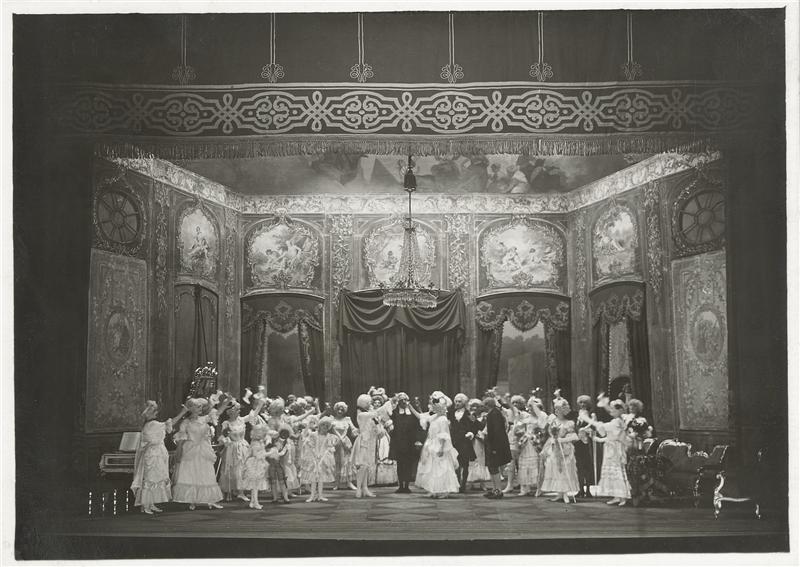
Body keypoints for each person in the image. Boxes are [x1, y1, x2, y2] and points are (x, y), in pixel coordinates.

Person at [131, 401, 185, 514]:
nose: (156, 413)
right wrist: (183, 412)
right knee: (150, 478)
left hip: (157, 453)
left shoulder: (151, 424)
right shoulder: (152, 424)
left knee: (157, 477)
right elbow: (170, 423)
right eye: (154, 411)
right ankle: (146, 504)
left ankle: (151, 503)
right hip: (153, 454)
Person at [172, 398, 225, 510]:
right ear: (191, 409)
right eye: (197, 407)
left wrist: (226, 402)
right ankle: (192, 499)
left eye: (201, 406)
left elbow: (218, 413)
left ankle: (210, 499)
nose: (200, 408)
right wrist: (179, 452)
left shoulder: (204, 419)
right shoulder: (186, 423)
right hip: (190, 449)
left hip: (204, 449)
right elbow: (181, 438)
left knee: (206, 474)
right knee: (191, 474)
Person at [580, 399, 632, 506]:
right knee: (612, 472)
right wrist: (597, 438)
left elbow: (604, 428)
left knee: (617, 472)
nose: (610, 410)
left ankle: (622, 496)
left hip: (615, 450)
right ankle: (616, 496)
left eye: (613, 409)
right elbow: (607, 436)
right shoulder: (615, 421)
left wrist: (589, 420)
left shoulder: (617, 422)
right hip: (610, 448)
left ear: (619, 410)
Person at [412, 391, 460, 498]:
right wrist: (411, 406)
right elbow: (421, 416)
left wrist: (441, 448)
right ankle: (434, 489)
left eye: (435, 406)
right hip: (432, 444)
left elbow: (444, 435)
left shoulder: (443, 419)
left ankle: (444, 490)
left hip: (439, 445)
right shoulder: (434, 418)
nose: (432, 407)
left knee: (442, 468)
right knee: (433, 468)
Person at [352, 393, 396, 498]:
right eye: (369, 403)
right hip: (363, 442)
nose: (370, 404)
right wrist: (388, 403)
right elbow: (376, 412)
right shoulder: (361, 414)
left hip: (371, 441)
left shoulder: (369, 415)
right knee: (362, 466)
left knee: (367, 466)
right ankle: (358, 489)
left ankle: (365, 488)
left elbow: (376, 425)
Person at [538, 396, 580, 504]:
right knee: (555, 470)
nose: (556, 411)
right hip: (553, 448)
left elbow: (575, 437)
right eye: (555, 409)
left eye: (559, 409)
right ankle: (559, 493)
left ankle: (565, 493)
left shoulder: (569, 423)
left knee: (564, 470)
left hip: (565, 449)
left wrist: (562, 440)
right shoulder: (552, 421)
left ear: (564, 410)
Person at [389, 393, 424, 494]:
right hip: (398, 442)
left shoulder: (412, 413)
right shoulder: (394, 412)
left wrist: (418, 440)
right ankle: (401, 486)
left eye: (405, 400)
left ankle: (407, 486)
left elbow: (418, 428)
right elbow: (391, 426)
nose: (404, 402)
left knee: (409, 464)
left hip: (410, 442)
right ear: (398, 401)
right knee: (400, 464)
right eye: (402, 400)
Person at [217, 401, 250, 502]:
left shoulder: (241, 420)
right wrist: (225, 440)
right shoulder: (226, 423)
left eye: (239, 409)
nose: (239, 411)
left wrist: (260, 403)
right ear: (230, 412)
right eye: (236, 409)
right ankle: (231, 490)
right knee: (231, 470)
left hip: (243, 447)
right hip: (232, 448)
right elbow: (223, 436)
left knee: (242, 469)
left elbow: (253, 415)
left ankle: (241, 492)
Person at [299, 416, 337, 502]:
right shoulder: (314, 434)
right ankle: (312, 495)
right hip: (313, 457)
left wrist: (324, 455)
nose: (325, 427)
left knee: (321, 478)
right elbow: (309, 445)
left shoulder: (329, 436)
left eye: (327, 426)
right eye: (323, 425)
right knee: (313, 477)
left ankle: (320, 495)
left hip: (323, 458)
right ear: (319, 425)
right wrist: (314, 455)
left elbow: (330, 446)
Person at [516, 396, 547, 496]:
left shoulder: (541, 416)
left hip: (536, 443)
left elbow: (543, 429)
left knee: (537, 464)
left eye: (532, 406)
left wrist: (537, 435)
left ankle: (539, 488)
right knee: (524, 464)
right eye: (529, 406)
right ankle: (524, 488)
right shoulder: (526, 417)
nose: (530, 409)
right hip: (526, 442)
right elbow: (520, 427)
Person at [482, 396, 512, 499]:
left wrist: (494, 447)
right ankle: (494, 489)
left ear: (487, 405)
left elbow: (496, 431)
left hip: (495, 445)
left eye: (484, 405)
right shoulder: (492, 413)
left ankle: (498, 490)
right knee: (491, 467)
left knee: (494, 467)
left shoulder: (494, 414)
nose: (483, 407)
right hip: (491, 444)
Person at [448, 393, 477, 493]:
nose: (457, 403)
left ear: (464, 403)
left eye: (459, 401)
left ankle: (463, 484)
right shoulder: (451, 413)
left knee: (465, 464)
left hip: (464, 441)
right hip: (454, 441)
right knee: (455, 463)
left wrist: (471, 433)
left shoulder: (469, 414)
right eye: (456, 401)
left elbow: (475, 426)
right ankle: (456, 483)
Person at [502, 395, 529, 494]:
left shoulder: (525, 414)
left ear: (522, 404)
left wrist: (508, 401)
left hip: (522, 438)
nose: (515, 404)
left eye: (517, 402)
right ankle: (509, 484)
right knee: (510, 463)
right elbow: (502, 409)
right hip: (511, 437)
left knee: (521, 463)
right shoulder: (509, 412)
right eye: (513, 402)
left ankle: (523, 485)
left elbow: (516, 413)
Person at [242, 419, 270, 509]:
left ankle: (252, 502)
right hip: (254, 464)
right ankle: (256, 502)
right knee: (255, 485)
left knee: (255, 484)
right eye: (262, 432)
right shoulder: (255, 443)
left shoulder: (258, 441)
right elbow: (256, 454)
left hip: (258, 463)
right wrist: (270, 453)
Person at [330, 402, 358, 490]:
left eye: (342, 410)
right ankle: (337, 483)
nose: (340, 411)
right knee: (336, 462)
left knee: (346, 461)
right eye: (338, 409)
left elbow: (353, 429)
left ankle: (349, 482)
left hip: (345, 442)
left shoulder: (347, 419)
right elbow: (329, 429)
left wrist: (357, 431)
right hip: (335, 442)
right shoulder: (332, 419)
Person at [573, 394, 596, 498]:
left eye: (584, 403)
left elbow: (593, 426)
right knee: (579, 466)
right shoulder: (577, 414)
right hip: (577, 442)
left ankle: (588, 490)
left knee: (587, 466)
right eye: (581, 402)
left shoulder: (591, 414)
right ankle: (581, 489)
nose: (582, 404)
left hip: (587, 442)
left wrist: (587, 430)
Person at [466, 398, 490, 491]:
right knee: (472, 461)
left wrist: (475, 421)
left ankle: (482, 483)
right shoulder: (469, 416)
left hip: (481, 441)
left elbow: (484, 427)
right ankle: (471, 481)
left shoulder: (485, 417)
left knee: (481, 460)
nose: (475, 408)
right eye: (473, 406)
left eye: (477, 406)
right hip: (471, 440)